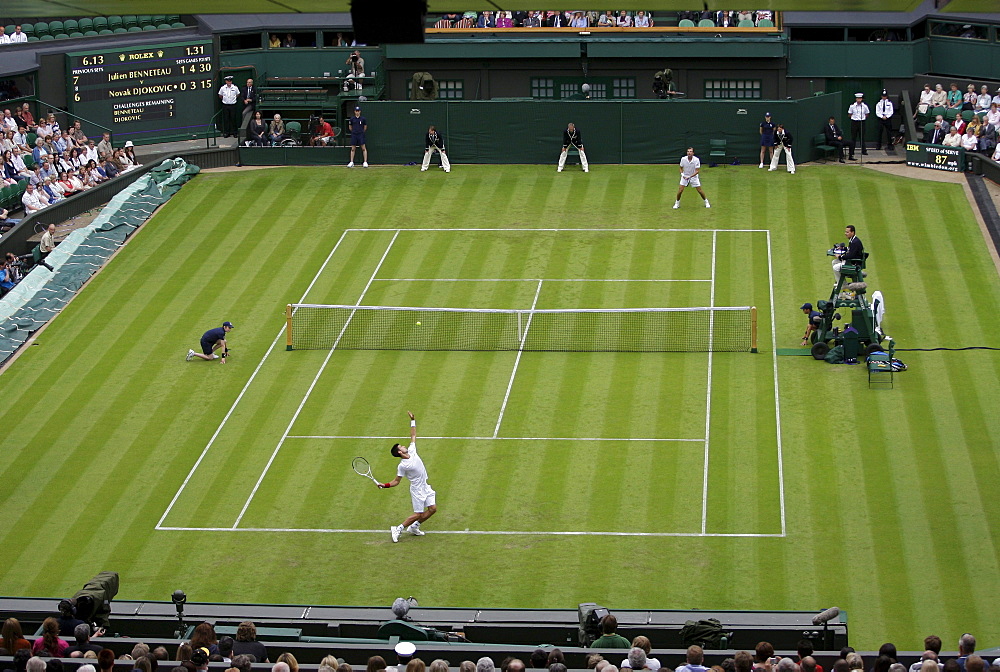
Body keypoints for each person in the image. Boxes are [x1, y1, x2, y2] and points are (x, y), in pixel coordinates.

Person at [380, 411, 437, 542]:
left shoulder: (412, 450)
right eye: (401, 446)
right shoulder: (402, 466)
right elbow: (396, 481)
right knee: (418, 514)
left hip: (425, 486)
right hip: (417, 490)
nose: (404, 445)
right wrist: (385, 485)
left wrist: (413, 420)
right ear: (400, 452)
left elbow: (413, 435)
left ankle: (414, 527)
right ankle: (398, 529)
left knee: (433, 509)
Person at [847, 92, 869, 160]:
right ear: (856, 99)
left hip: (862, 122)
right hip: (854, 122)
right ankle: (852, 151)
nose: (859, 100)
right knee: (853, 137)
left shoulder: (864, 106)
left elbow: (867, 114)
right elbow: (849, 114)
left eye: (860, 98)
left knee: (862, 136)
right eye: (858, 98)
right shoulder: (852, 106)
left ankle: (864, 150)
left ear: (862, 99)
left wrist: (862, 118)